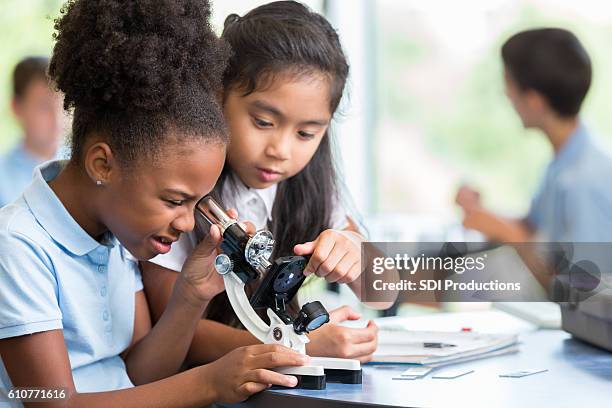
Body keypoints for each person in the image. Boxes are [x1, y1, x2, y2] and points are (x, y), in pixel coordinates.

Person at [0, 1, 306, 406]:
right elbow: (52, 402)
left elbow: (137, 378)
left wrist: (190, 296)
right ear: (102, 165)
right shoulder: (17, 246)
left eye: (195, 203)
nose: (184, 223)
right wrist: (208, 383)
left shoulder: (117, 235)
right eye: (175, 200)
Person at [142, 1, 383, 366]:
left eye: (306, 133)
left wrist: (354, 250)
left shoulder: (310, 186)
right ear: (218, 96)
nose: (280, 150)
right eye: (263, 122)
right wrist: (299, 347)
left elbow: (386, 290)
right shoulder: (179, 191)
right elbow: (175, 331)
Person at [456, 28, 612, 243]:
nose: (507, 95)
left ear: (534, 100)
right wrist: (481, 214)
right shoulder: (564, 161)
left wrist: (509, 234)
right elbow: (536, 231)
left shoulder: (586, 180)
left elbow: (584, 275)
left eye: (509, 84)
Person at [0, 56, 64, 207]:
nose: (57, 118)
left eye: (62, 106)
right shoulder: (3, 178)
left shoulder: (85, 166)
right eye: (44, 106)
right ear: (16, 107)